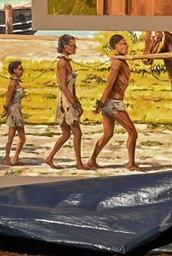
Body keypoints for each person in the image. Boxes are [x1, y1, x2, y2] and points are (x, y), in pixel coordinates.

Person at [89, 34, 140, 170]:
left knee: (108, 134)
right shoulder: (117, 62)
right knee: (132, 132)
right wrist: (101, 103)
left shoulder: (122, 60)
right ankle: (131, 164)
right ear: (116, 46)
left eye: (126, 43)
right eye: (123, 43)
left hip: (111, 102)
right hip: (113, 103)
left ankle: (91, 161)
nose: (126, 46)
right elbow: (109, 84)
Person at [45, 34, 88, 170]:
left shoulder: (67, 62)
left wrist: (77, 101)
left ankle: (49, 158)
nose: (75, 47)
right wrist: (74, 104)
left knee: (66, 133)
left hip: (68, 98)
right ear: (65, 47)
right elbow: (63, 86)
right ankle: (79, 163)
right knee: (77, 133)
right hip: (66, 101)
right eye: (73, 45)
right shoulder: (62, 63)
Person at [1, 60, 27, 166]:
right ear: (15, 70)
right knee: (12, 137)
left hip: (17, 110)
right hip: (13, 111)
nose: (22, 70)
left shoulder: (16, 82)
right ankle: (7, 158)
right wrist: (5, 110)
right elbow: (8, 99)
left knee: (21, 138)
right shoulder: (12, 84)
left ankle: (15, 157)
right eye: (20, 69)